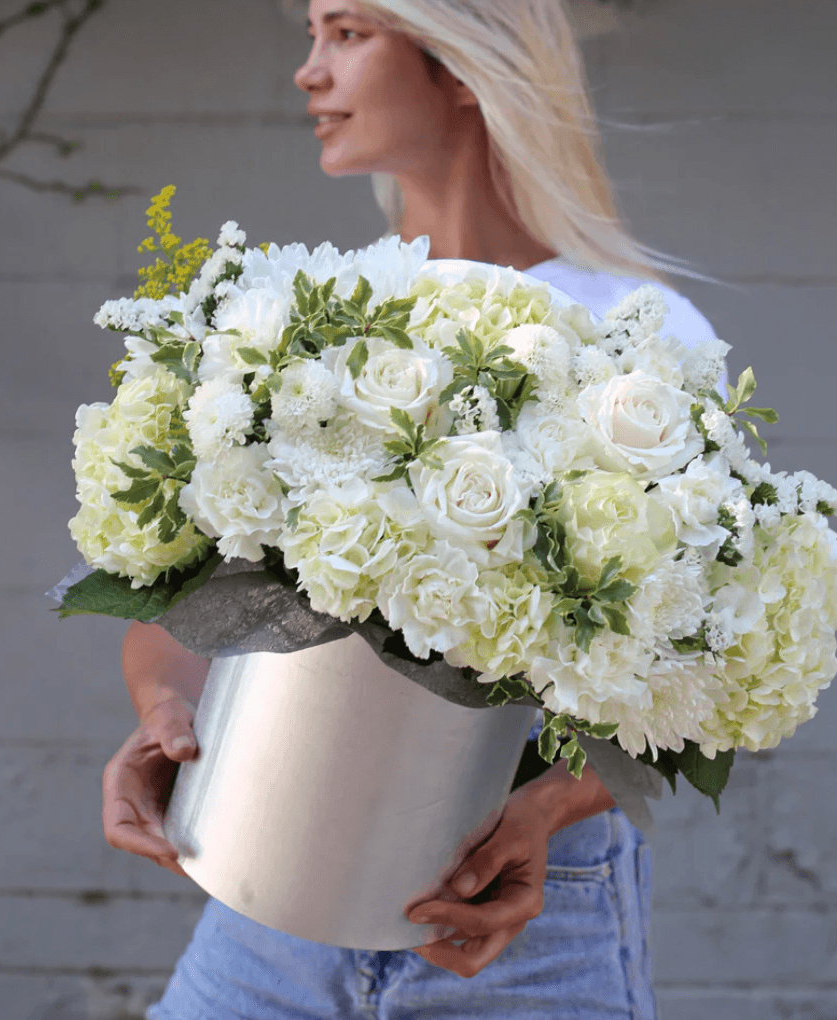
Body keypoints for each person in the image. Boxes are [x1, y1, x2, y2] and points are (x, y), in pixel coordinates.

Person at [107, 2, 721, 1017]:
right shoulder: (300, 321)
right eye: (312, 35)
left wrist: (545, 809)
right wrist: (163, 714)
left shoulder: (636, 332)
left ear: (463, 65)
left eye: (347, 33)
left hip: (525, 909)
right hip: (273, 891)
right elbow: (173, 591)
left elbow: (702, 670)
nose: (309, 71)